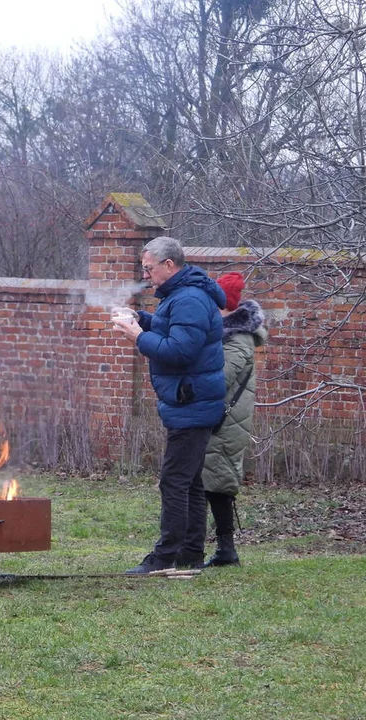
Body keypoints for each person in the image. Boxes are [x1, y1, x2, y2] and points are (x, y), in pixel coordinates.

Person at [111, 236, 226, 573]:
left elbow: (180, 351)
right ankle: (189, 555)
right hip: (189, 402)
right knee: (189, 481)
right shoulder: (182, 294)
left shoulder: (188, 298)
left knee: (174, 481)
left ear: (169, 265)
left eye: (149, 269)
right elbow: (172, 330)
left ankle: (165, 557)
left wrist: (136, 336)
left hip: (191, 404)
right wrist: (141, 319)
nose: (145, 275)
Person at [201, 272, 268, 567]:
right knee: (212, 484)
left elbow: (221, 379)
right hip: (221, 420)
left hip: (225, 424)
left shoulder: (237, 340)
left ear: (224, 304)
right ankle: (223, 550)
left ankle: (225, 550)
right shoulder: (229, 335)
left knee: (218, 485)